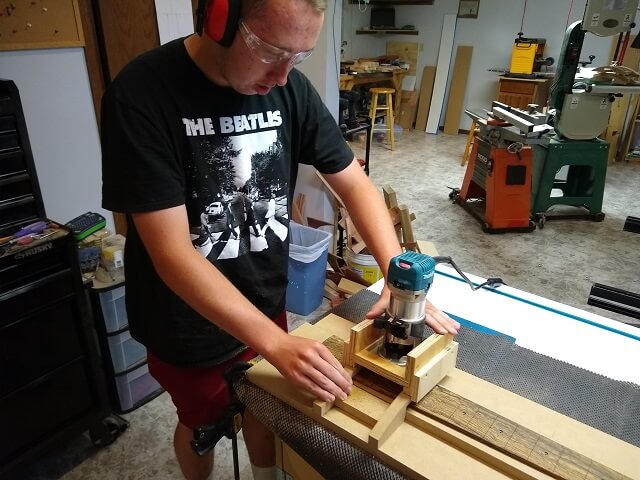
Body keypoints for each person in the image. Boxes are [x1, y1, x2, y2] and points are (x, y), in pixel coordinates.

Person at [100, 0, 460, 479]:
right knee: (200, 423)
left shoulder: (288, 89)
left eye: (299, 56)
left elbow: (353, 183)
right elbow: (172, 254)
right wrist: (275, 343)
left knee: (264, 407)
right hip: (184, 323)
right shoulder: (142, 94)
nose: (284, 75)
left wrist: (398, 274)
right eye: (271, 51)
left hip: (263, 299)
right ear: (219, 20)